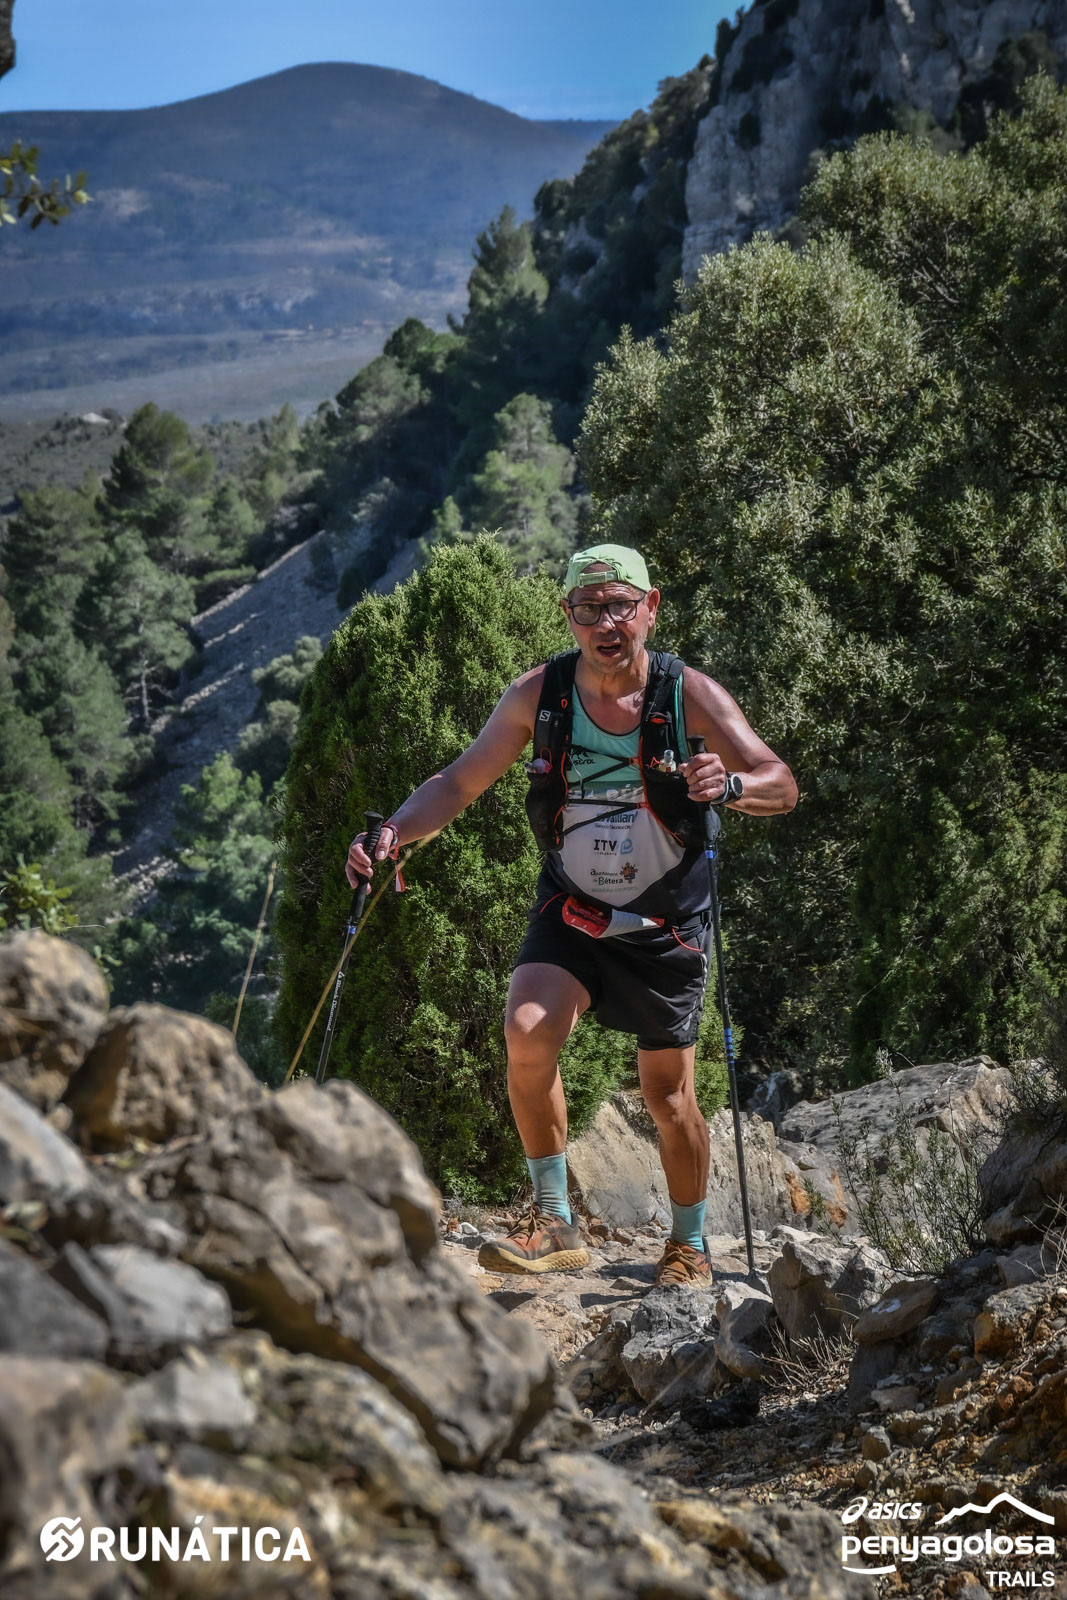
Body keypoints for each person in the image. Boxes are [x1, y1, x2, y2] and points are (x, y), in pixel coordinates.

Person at [347, 544, 797, 1288]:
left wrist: (729, 787)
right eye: (589, 609)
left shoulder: (688, 695)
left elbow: (781, 785)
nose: (605, 622)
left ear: (650, 608)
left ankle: (688, 1246)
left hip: (665, 924)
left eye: (620, 605)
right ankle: (556, 1222)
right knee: (526, 1032)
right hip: (574, 908)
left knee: (668, 1095)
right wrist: (392, 832)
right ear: (568, 615)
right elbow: (458, 782)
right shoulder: (539, 694)